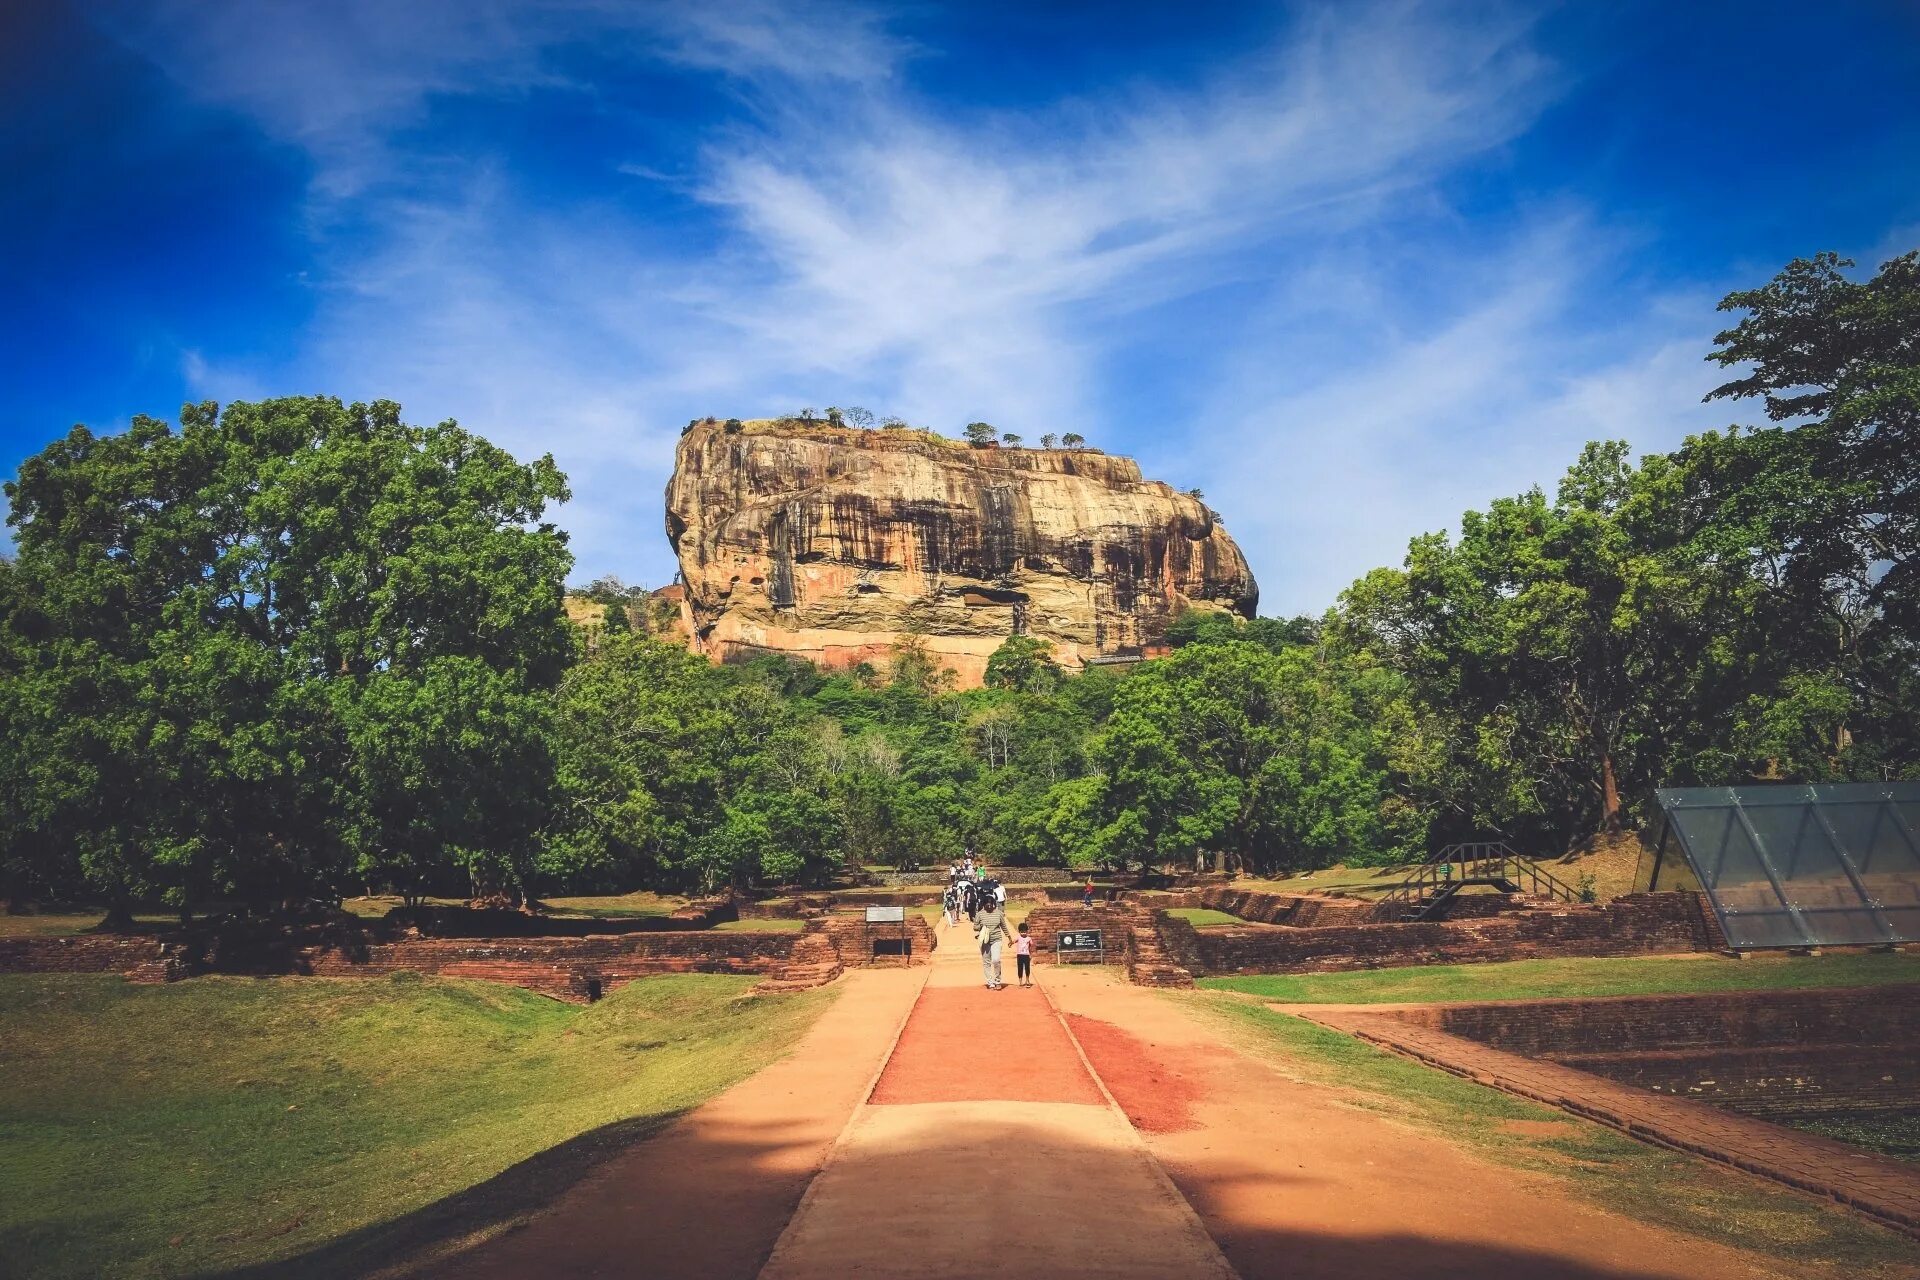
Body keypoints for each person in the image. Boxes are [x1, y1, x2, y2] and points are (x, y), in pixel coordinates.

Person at [976, 894, 1014, 989]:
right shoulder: (980, 914)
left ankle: (998, 980)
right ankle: (990, 982)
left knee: (996, 960)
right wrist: (981, 927)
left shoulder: (999, 913)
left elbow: (1003, 926)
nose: (989, 906)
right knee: (986, 962)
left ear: (993, 904)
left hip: (996, 939)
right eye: (987, 904)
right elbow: (975, 926)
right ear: (984, 905)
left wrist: (1009, 937)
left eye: (991, 904)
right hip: (985, 941)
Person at [1014, 921, 1034, 987]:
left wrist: (1031, 955)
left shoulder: (1029, 938)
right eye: (1022, 932)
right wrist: (1010, 943)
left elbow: (1031, 947)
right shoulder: (1018, 937)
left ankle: (1027, 980)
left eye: (1025, 932)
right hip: (1019, 955)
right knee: (1020, 968)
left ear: (1027, 931)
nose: (1023, 933)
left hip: (1026, 955)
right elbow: (1013, 941)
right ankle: (1020, 981)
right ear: (1019, 932)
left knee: (1027, 968)